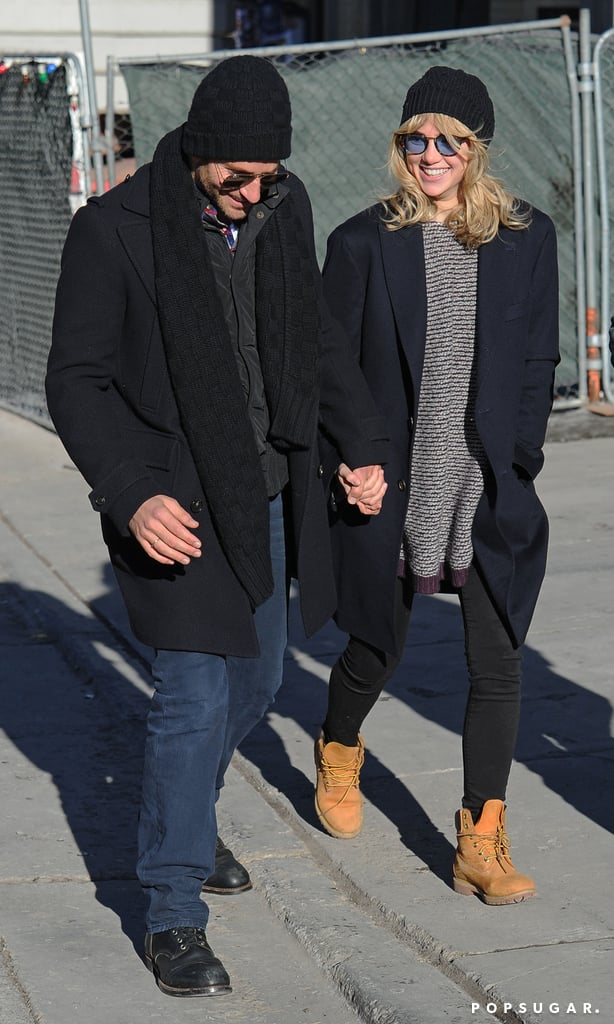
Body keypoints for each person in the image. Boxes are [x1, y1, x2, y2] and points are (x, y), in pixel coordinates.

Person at [45, 56, 389, 998]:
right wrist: (128, 491)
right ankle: (171, 913)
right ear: (196, 149)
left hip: (273, 488)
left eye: (264, 175)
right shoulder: (113, 232)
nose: (249, 193)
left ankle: (185, 815)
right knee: (192, 700)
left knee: (263, 678)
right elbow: (74, 381)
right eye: (233, 176)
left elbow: (315, 336)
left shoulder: (283, 207)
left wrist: (357, 443)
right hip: (174, 503)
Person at [314, 66, 559, 906]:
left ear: (475, 148)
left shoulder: (528, 237)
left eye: (447, 139)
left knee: (498, 663)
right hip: (398, 481)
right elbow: (331, 363)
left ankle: (480, 840)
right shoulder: (361, 242)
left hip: (486, 483)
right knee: (377, 648)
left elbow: (537, 360)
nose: (429, 154)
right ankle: (340, 745)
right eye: (414, 139)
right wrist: (353, 458)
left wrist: (518, 456)